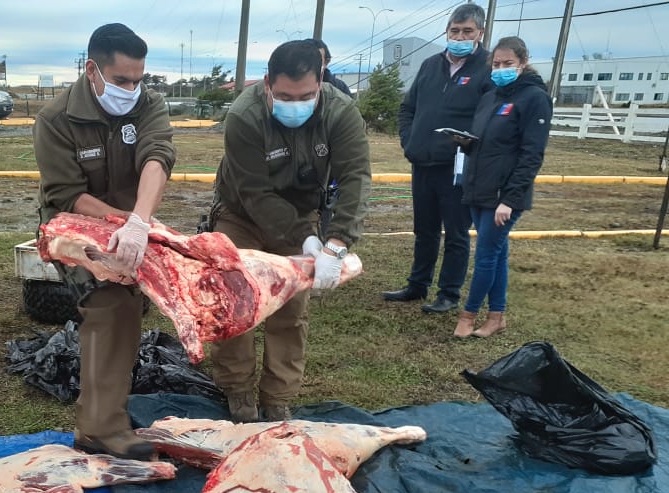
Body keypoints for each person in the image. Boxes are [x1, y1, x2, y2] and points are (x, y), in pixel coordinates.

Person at [32, 23, 175, 459]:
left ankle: (110, 407)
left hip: (132, 218)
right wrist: (121, 225)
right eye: (121, 80)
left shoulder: (148, 103)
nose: (132, 89)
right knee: (110, 302)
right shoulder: (55, 119)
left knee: (151, 293)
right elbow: (65, 194)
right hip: (73, 222)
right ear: (92, 69)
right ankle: (99, 428)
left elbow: (157, 156)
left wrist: (139, 222)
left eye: (138, 79)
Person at [209, 39, 371, 422]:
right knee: (235, 301)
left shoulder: (340, 111)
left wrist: (336, 242)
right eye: (284, 95)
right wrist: (306, 239)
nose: (295, 104)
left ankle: (277, 397)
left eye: (306, 95)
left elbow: (355, 178)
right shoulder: (244, 116)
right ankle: (236, 391)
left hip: (303, 210)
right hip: (241, 213)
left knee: (291, 308)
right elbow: (254, 192)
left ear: (321, 83)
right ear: (267, 83)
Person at [384, 3, 492, 314]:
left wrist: (469, 145)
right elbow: (408, 108)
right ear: (447, 32)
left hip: (458, 166)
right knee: (425, 229)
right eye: (454, 31)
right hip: (423, 162)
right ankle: (417, 285)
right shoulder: (431, 65)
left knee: (456, 233)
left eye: (467, 31)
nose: (459, 36)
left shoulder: (486, 69)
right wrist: (409, 140)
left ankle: (449, 293)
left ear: (480, 33)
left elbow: (488, 119)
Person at [452, 36, 552, 338]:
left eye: (508, 64)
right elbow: (485, 143)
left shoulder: (534, 98)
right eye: (496, 64)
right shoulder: (491, 96)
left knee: (485, 255)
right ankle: (497, 316)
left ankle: (468, 316)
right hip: (478, 188)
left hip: (503, 196)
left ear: (523, 62)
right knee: (496, 253)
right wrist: (465, 143)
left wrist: (510, 198)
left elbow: (532, 154)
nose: (501, 69)